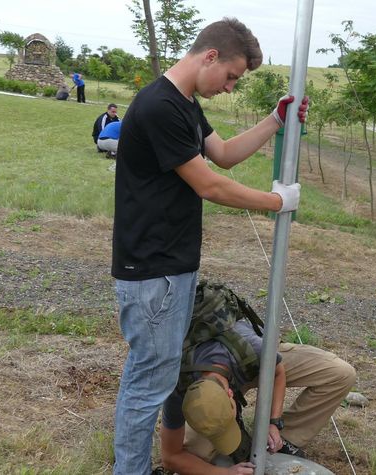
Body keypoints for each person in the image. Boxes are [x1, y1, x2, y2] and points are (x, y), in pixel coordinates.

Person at [111, 17, 308, 475]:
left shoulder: (184, 104)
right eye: (232, 76)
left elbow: (223, 154)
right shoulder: (159, 105)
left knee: (150, 378)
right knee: (148, 385)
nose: (232, 87)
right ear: (210, 56)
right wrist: (277, 202)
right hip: (152, 272)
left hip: (170, 269)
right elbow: (209, 185)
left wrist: (275, 120)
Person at [159, 302, 356, 474]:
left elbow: (278, 373)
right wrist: (223, 474)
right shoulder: (177, 384)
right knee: (196, 456)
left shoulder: (252, 347)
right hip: (221, 368)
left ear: (231, 396)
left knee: (340, 373)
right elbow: (171, 457)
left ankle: (283, 439)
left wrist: (273, 422)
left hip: (251, 362)